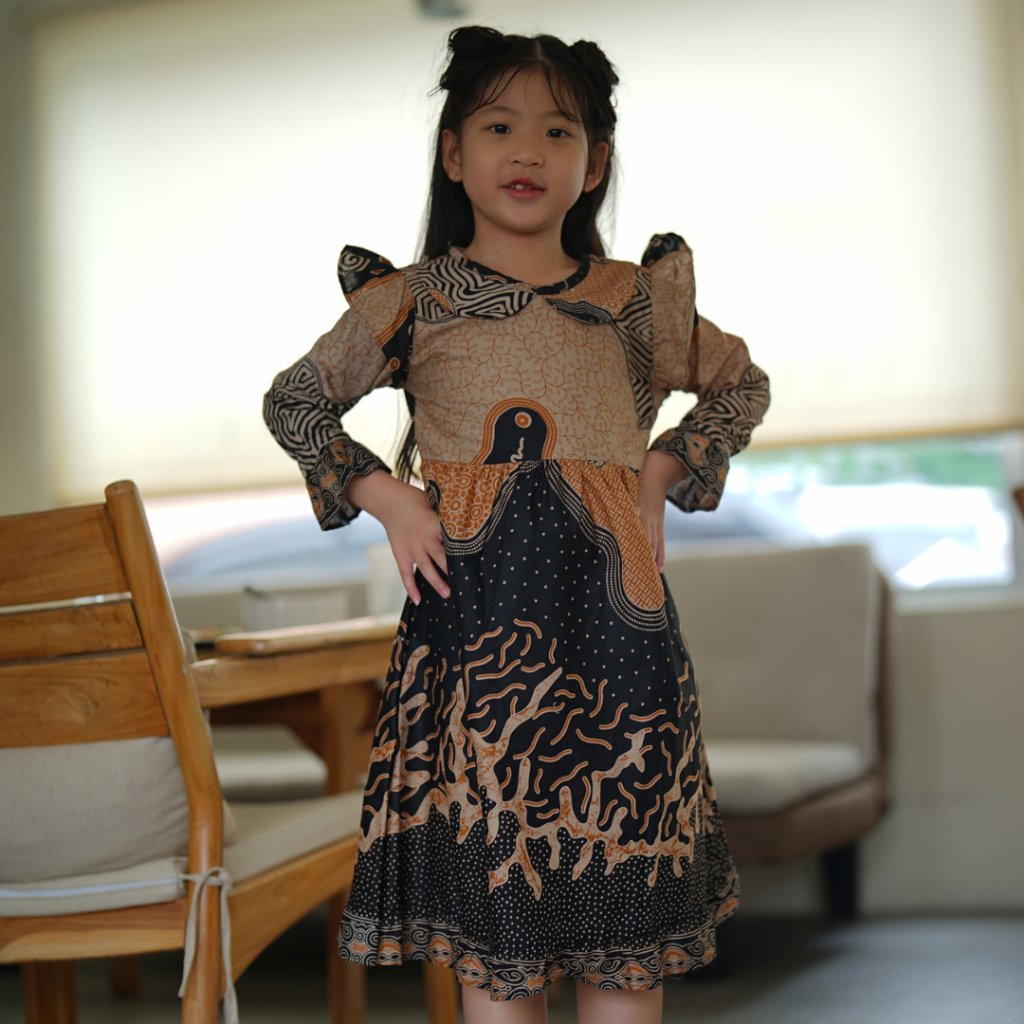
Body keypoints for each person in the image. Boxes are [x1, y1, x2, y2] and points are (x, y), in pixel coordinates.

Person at [263, 24, 770, 1024]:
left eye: (557, 130)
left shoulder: (635, 302)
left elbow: (740, 384)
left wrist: (662, 467)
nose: (527, 150)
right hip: (475, 663)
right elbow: (296, 402)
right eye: (499, 127)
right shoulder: (411, 302)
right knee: (500, 948)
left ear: (596, 163)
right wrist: (386, 494)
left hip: (622, 663)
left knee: (624, 946)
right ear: (454, 153)